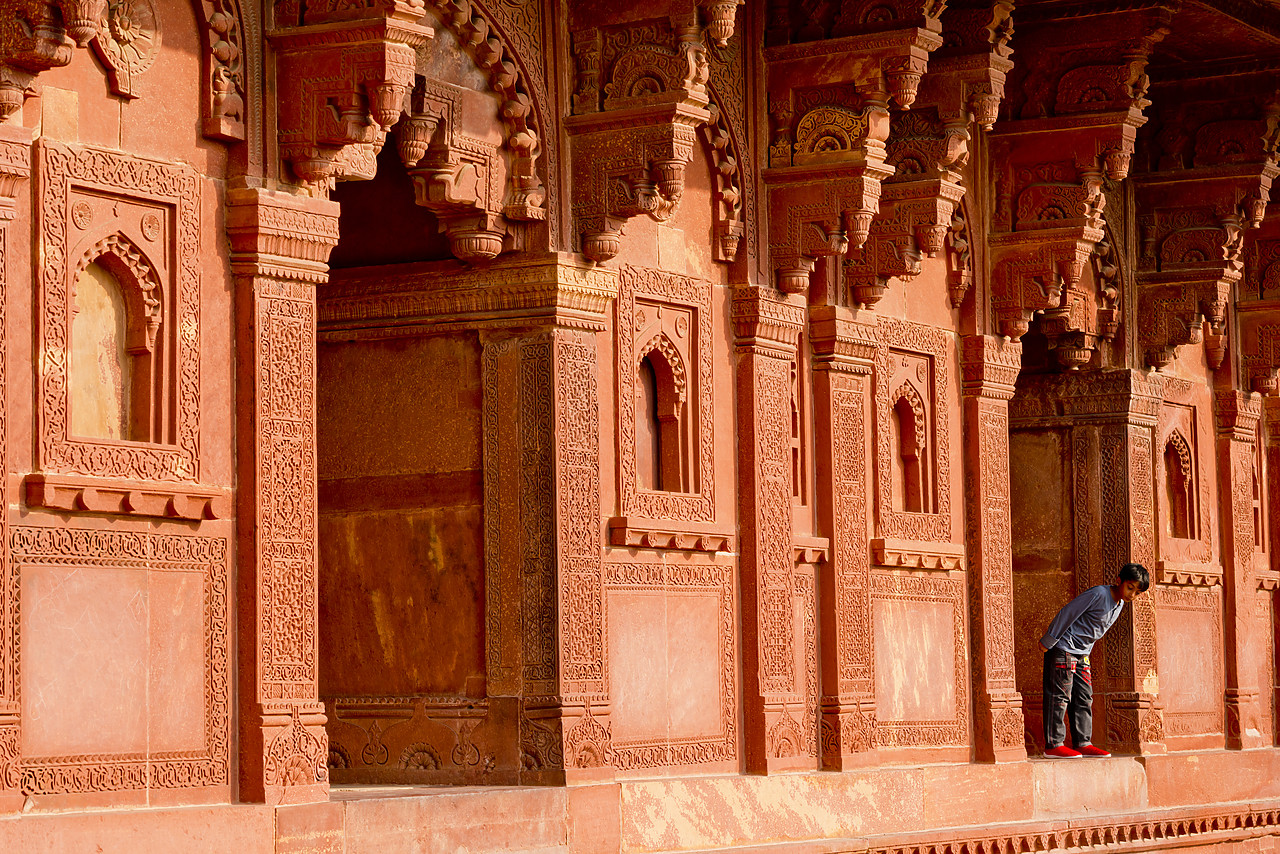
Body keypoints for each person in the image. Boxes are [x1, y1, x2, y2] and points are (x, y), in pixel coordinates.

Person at [1039, 563, 1150, 758]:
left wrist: (1085, 654)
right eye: (1130, 587)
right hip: (1064, 647)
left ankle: (1083, 743)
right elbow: (1069, 612)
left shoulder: (1120, 604)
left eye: (1137, 592)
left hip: (1082, 654)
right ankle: (1054, 744)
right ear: (1119, 581)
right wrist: (1049, 640)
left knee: (1084, 696)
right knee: (1060, 695)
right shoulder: (1099, 594)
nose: (1132, 594)